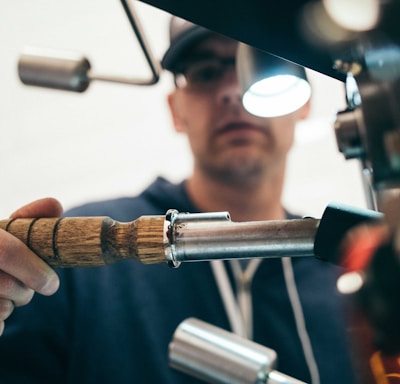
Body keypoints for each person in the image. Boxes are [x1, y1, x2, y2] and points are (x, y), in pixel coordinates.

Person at [0, 15, 357, 384]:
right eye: (205, 72)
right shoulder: (82, 261)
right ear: (176, 110)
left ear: (304, 102)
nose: (233, 90)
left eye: (260, 66)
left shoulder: (348, 277)